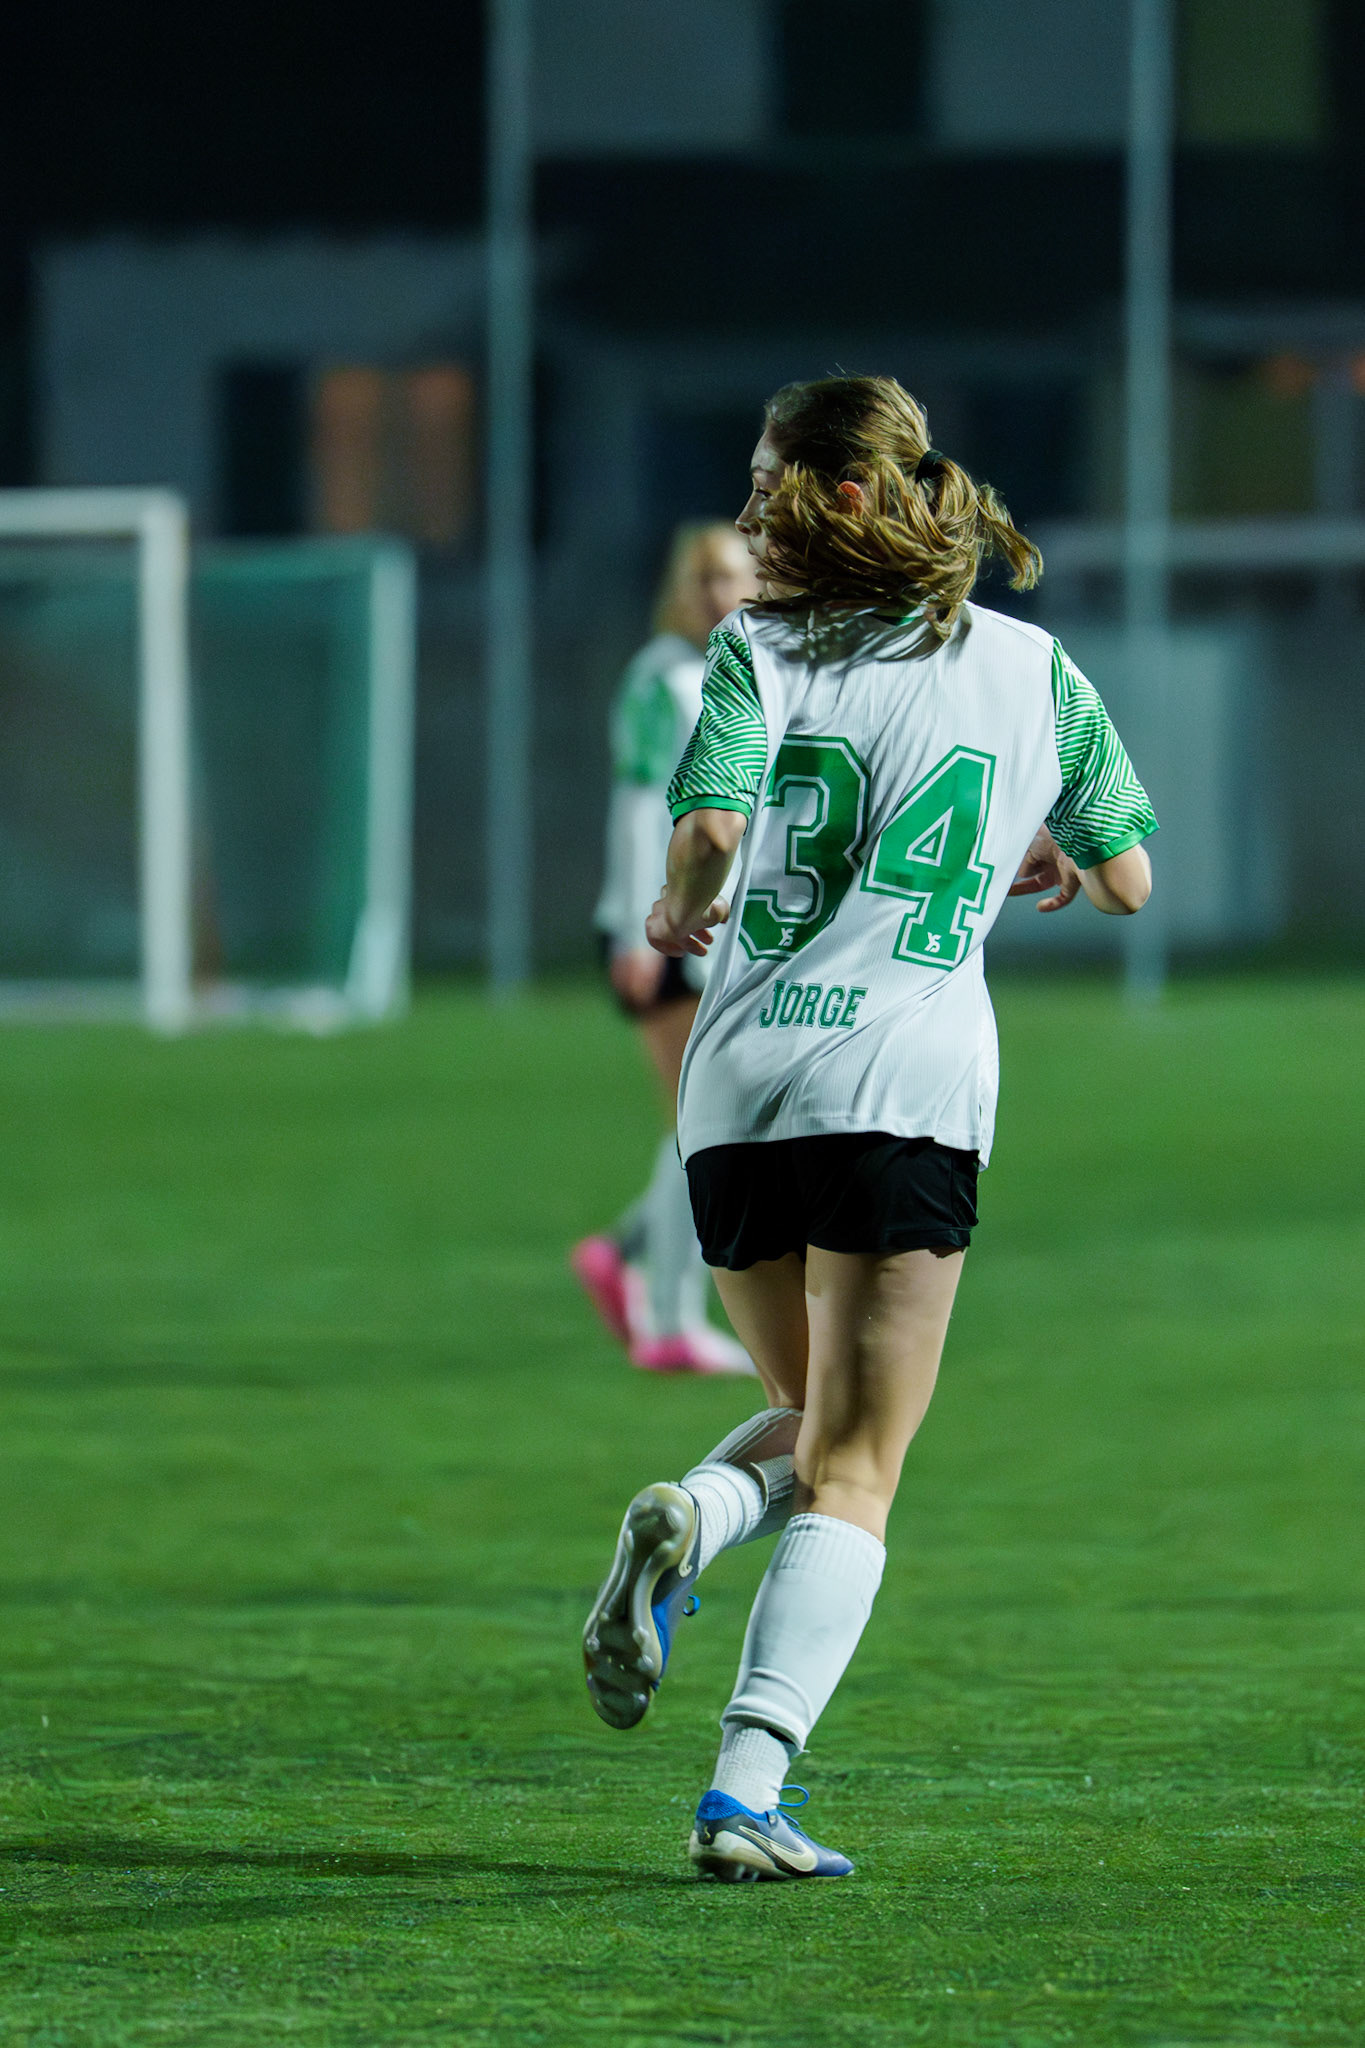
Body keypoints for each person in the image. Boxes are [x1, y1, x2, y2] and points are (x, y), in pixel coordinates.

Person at [582, 375, 1155, 1880]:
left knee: (809, 1418)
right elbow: (1128, 877)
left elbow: (708, 831)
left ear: (842, 495)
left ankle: (692, 1521)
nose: (751, 509)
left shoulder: (752, 651)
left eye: (770, 481)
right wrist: (1039, 846)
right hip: (901, 1085)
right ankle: (744, 1790)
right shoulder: (1034, 670)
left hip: (738, 1091)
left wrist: (678, 908)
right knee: (859, 1468)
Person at [573, 522, 760, 1375]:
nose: (718, 592)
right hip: (668, 933)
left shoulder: (738, 674)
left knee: (724, 1118)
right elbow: (641, 805)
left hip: (715, 932)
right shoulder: (667, 677)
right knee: (703, 1121)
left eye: (731, 575)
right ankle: (674, 1321)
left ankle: (623, 1253)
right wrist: (637, 927)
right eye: (703, 577)